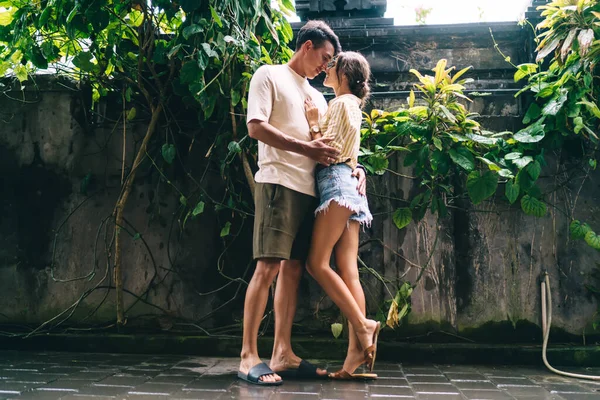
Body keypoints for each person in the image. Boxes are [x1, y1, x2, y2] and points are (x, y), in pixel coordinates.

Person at [237, 21, 367, 386]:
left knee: (293, 270)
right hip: (278, 183)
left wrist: (357, 169)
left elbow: (332, 144)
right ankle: (248, 356)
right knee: (268, 267)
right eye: (324, 57)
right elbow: (256, 127)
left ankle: (282, 353)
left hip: (312, 191)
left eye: (331, 62)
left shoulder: (318, 95)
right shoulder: (270, 75)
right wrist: (305, 148)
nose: (326, 67)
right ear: (306, 46)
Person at [304, 51, 380, 380]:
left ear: (344, 74)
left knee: (316, 263)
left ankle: (364, 327)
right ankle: (354, 360)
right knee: (349, 272)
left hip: (336, 182)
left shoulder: (340, 103)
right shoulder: (353, 106)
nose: (327, 68)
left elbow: (328, 151)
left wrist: (311, 122)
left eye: (332, 65)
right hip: (349, 185)